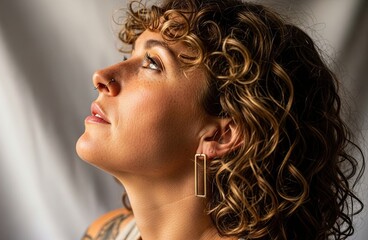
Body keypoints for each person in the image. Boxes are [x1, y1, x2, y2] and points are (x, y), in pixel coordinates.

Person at [75, 0, 365, 239]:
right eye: (131, 54)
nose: (101, 77)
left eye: (153, 63)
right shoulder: (105, 233)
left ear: (220, 136)